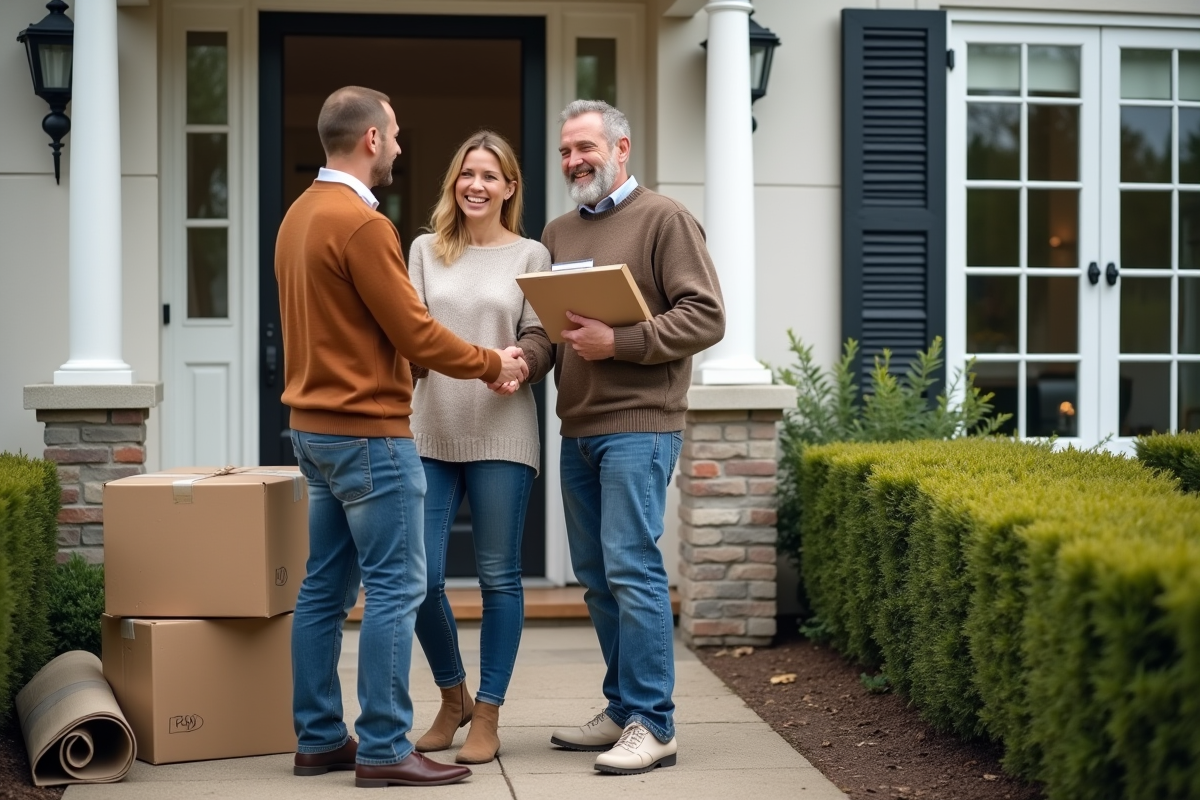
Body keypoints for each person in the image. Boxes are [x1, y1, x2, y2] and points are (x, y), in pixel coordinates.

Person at [275, 86, 527, 789]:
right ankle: (385, 747)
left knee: (322, 587)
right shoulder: (361, 223)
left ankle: (321, 739)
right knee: (397, 586)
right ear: (371, 141)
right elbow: (411, 331)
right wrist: (489, 361)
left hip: (313, 432)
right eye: (395, 135)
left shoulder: (299, 215)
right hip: (368, 436)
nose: (401, 147)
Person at [542, 100, 726, 775]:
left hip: (641, 426)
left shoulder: (665, 219)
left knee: (632, 569)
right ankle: (623, 709)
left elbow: (706, 316)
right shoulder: (558, 231)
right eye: (565, 151)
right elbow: (550, 329)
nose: (574, 161)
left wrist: (620, 341)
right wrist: (518, 363)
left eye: (586, 147)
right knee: (597, 579)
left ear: (621, 148)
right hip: (579, 426)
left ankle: (656, 723)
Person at [406, 131, 553, 764]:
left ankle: (488, 711)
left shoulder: (532, 254)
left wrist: (521, 365)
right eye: (468, 174)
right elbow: (409, 336)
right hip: (430, 429)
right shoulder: (423, 251)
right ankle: (452, 695)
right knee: (419, 577)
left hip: (501, 428)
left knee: (498, 578)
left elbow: (541, 335)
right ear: (453, 182)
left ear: (509, 188)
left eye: (490, 176)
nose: (477, 185)